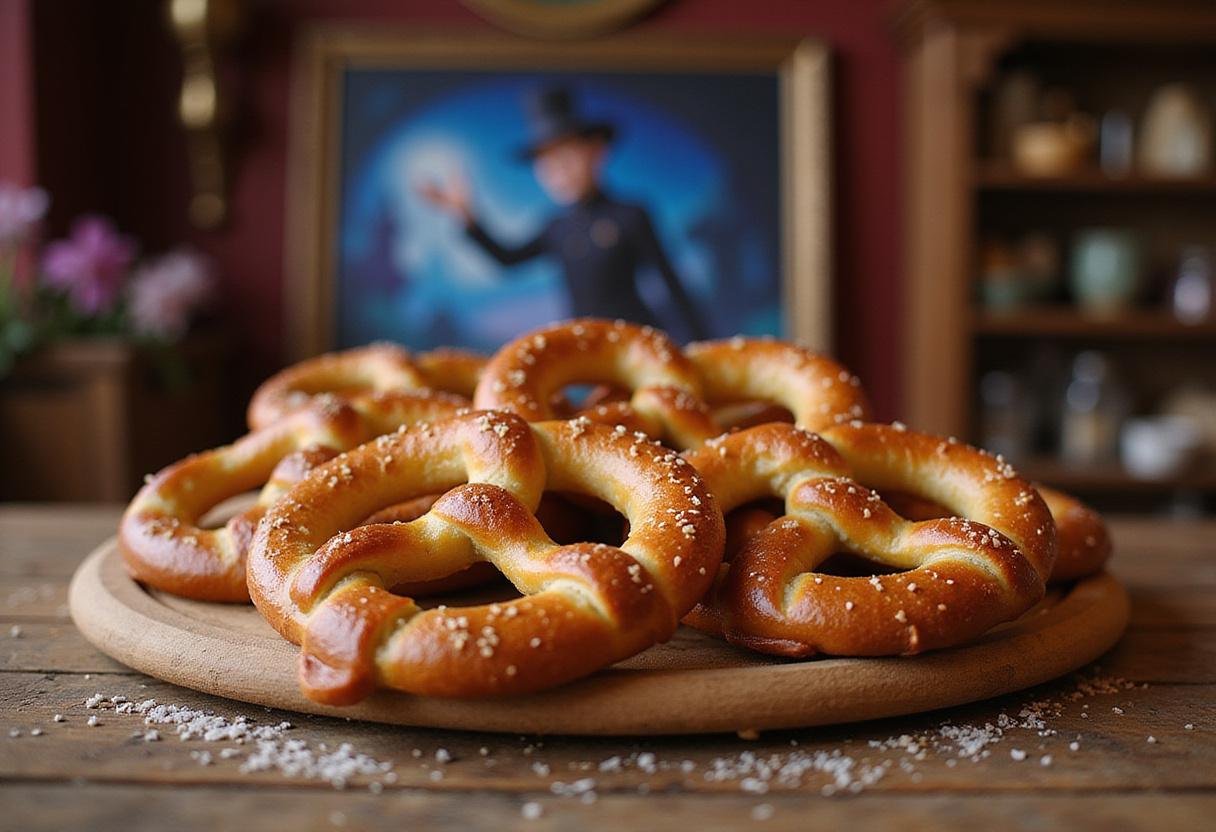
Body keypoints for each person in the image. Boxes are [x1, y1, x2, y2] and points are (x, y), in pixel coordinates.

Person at [419, 86, 706, 338]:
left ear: (596, 151)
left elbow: (672, 285)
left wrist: (697, 345)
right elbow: (508, 259)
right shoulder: (557, 226)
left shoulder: (631, 215)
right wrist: (466, 216)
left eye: (566, 157)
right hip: (580, 345)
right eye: (547, 164)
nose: (559, 171)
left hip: (634, 339)